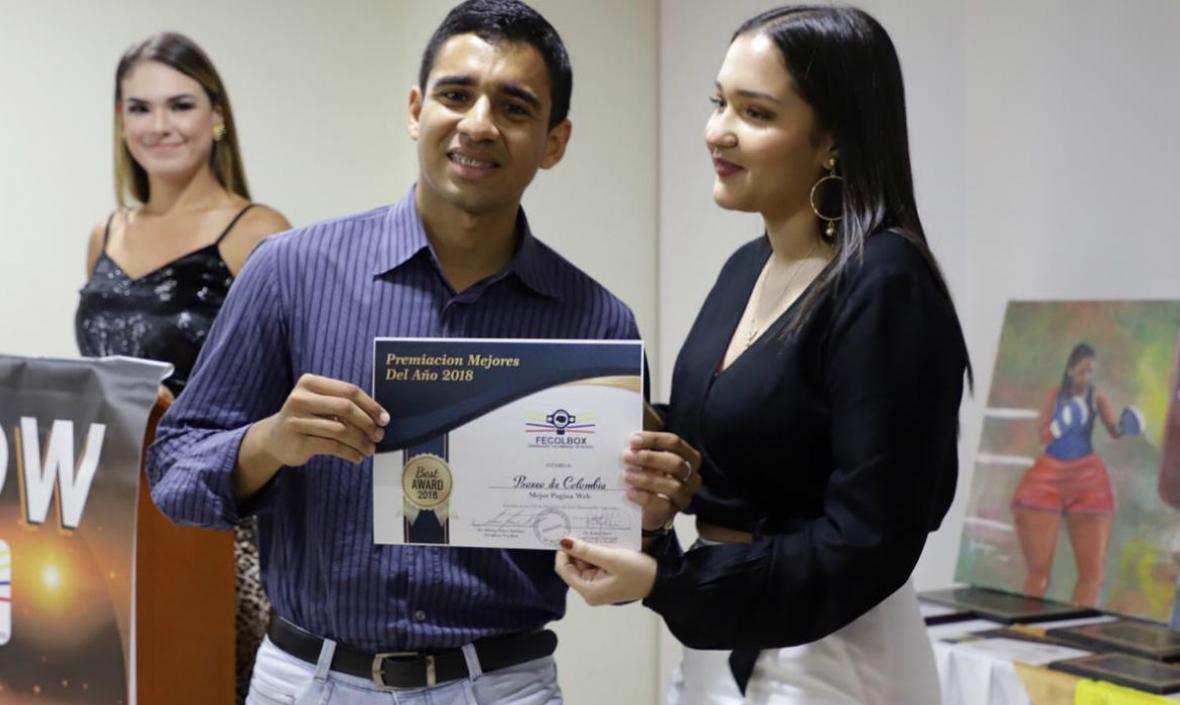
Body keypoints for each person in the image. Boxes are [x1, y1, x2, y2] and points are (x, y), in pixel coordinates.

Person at [146, 3, 678, 704]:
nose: (479, 123)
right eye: (456, 95)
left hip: (503, 685)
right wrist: (272, 440)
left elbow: (627, 565)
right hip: (308, 680)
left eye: (514, 107)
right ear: (415, 109)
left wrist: (650, 512)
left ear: (555, 141)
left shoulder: (598, 325)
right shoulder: (290, 272)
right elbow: (175, 477)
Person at [555, 6, 971, 704]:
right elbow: (707, 466)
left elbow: (868, 538)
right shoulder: (744, 268)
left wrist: (674, 582)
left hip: (835, 651)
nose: (719, 131)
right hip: (722, 635)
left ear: (833, 137)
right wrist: (650, 512)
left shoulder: (884, 281)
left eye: (756, 112)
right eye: (720, 102)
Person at [74, 31, 291, 703]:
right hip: (114, 518)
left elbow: (285, 393)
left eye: (180, 105)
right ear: (119, 121)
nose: (159, 125)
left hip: (220, 529)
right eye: (139, 108)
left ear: (217, 116)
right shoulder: (105, 234)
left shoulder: (259, 232)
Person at [1012, 343, 1142, 606]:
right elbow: (1044, 435)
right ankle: (1023, 625)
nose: (1086, 378)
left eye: (1090, 372)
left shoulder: (1097, 397)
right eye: (1082, 372)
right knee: (1038, 572)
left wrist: (1127, 424)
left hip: (1087, 477)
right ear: (1071, 371)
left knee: (1091, 575)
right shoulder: (1056, 394)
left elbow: (1114, 430)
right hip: (1049, 474)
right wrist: (1062, 423)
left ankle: (1079, 628)